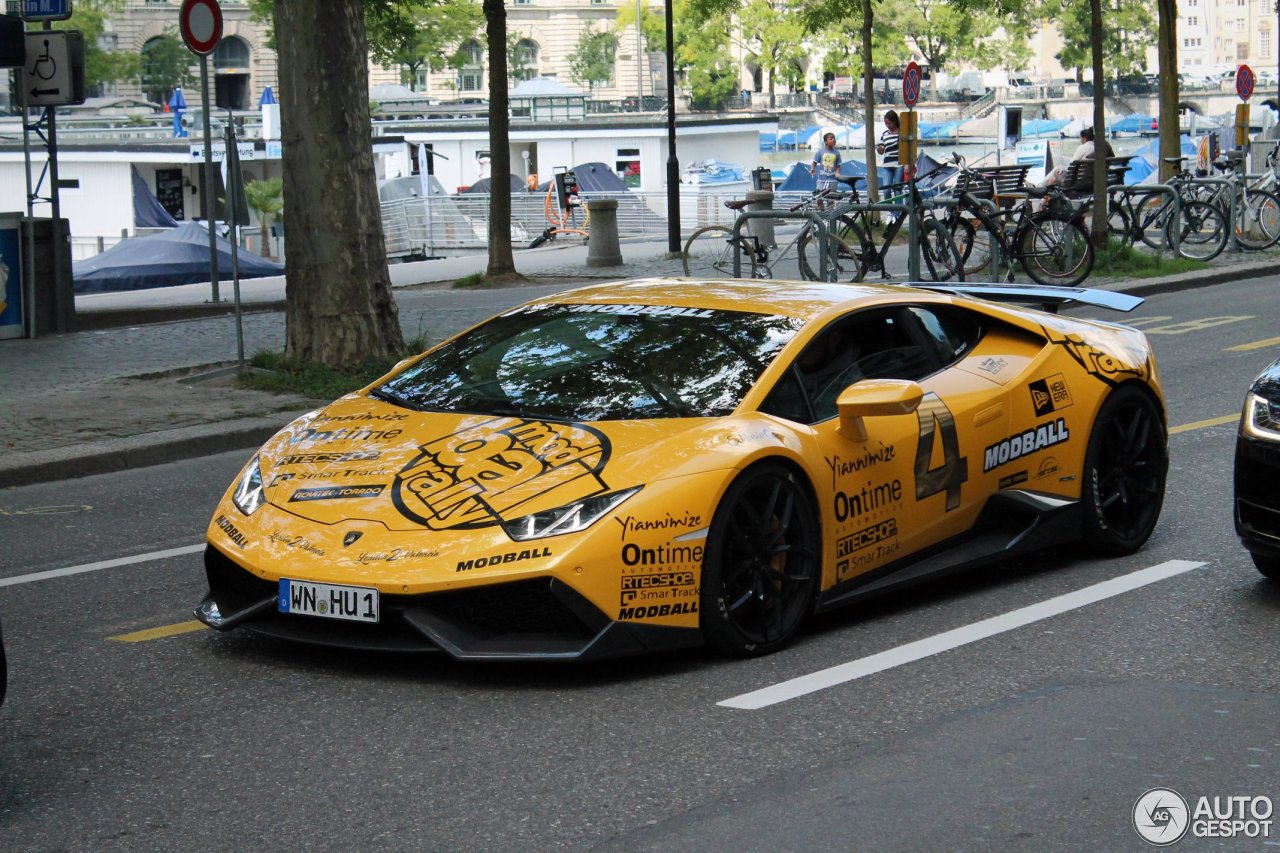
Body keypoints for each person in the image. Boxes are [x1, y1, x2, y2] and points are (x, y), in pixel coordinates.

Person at [1043, 126, 1114, 186]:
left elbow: (1071, 164)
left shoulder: (1083, 147)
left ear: (1085, 138)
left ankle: (1041, 185)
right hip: (1091, 173)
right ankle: (1047, 182)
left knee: (1057, 168)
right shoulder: (1099, 146)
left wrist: (1061, 170)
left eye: (1081, 138)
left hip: (1080, 177)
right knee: (1061, 160)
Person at [876, 110, 902, 186]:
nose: (887, 125)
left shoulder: (901, 133)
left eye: (889, 123)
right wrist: (879, 149)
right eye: (886, 123)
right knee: (886, 189)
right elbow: (882, 151)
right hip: (887, 165)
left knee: (897, 189)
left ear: (894, 122)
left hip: (899, 164)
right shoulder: (884, 134)